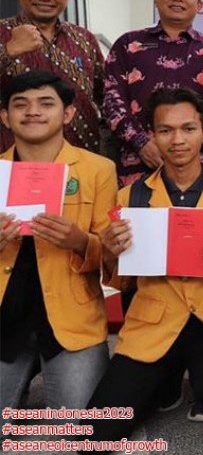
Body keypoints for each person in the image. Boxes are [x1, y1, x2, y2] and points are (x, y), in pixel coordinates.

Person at [85, 88, 203, 441]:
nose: (177, 140)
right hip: (155, 317)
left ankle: (189, 374)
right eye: (165, 130)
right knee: (98, 431)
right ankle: (167, 377)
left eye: (188, 129)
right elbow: (122, 282)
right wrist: (111, 252)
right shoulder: (129, 197)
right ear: (152, 135)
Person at [0, 72, 116, 421]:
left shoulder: (98, 170)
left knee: (79, 430)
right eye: (21, 105)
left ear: (67, 114)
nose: (33, 112)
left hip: (70, 321)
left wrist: (81, 242)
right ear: (5, 117)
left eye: (46, 103)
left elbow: (113, 260)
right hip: (6, 316)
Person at [103, 0, 203, 186]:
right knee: (136, 221)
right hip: (138, 165)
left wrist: (188, 141)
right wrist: (140, 142)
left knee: (193, 221)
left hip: (197, 167)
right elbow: (112, 101)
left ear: (200, 4)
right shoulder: (129, 44)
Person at [1, 0, 105, 153]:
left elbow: (105, 96)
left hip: (81, 158)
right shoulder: (3, 32)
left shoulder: (84, 38)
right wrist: (8, 50)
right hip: (13, 162)